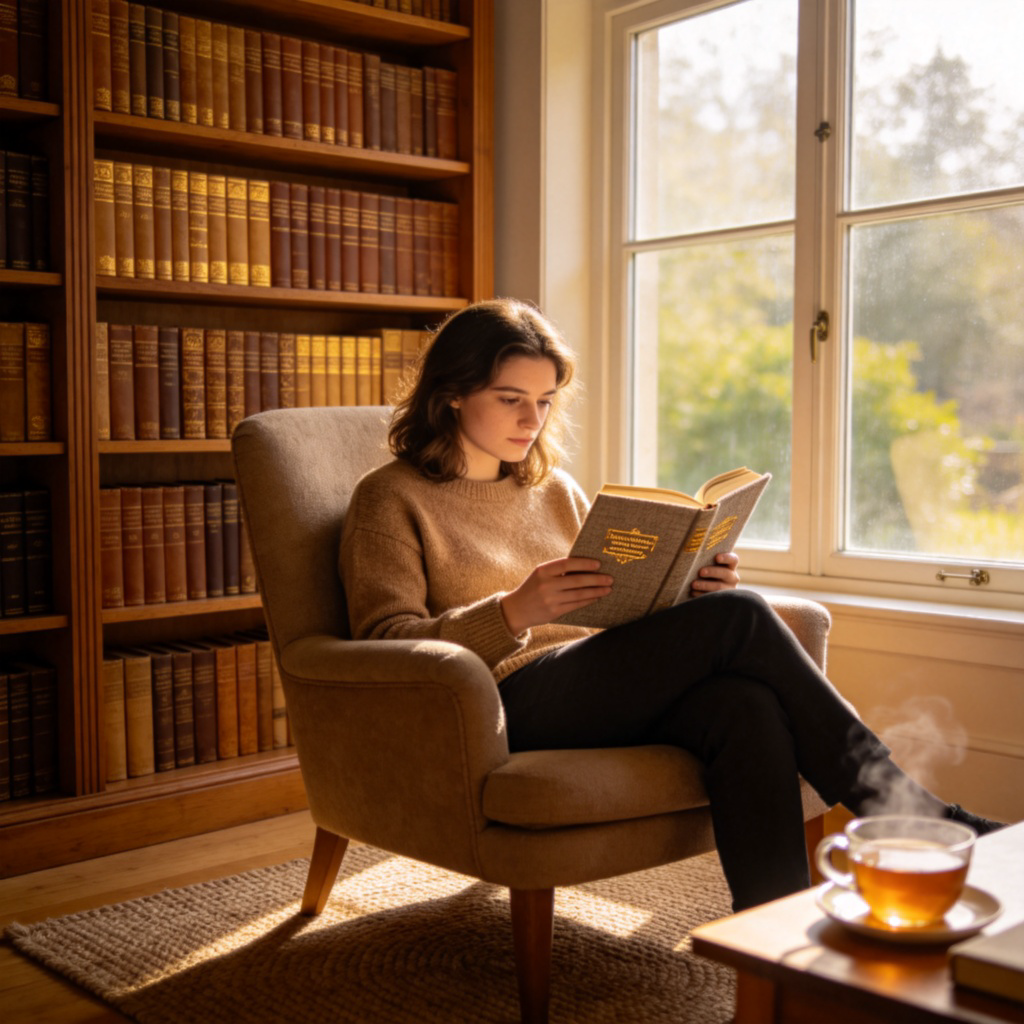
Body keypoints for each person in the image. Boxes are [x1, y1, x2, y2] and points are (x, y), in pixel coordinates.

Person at [339, 298, 1004, 912]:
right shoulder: (389, 498)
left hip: (589, 685)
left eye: (544, 401)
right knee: (740, 621)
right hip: (498, 704)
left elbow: (607, 609)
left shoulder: (553, 490)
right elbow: (385, 643)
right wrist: (514, 611)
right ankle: (910, 816)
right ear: (452, 394)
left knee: (747, 707)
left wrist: (687, 588)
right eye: (510, 398)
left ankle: (774, 949)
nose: (531, 420)